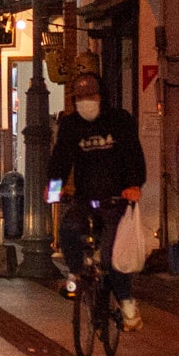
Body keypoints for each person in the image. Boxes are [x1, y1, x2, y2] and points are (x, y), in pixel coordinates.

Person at [45, 73, 147, 328]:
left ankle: (126, 302)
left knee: (114, 255)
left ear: (102, 97)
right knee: (68, 229)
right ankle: (76, 274)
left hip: (116, 202)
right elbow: (60, 160)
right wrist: (54, 188)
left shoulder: (119, 121)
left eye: (90, 96)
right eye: (79, 98)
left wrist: (133, 185)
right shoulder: (71, 125)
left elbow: (133, 155)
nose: (85, 102)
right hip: (85, 199)